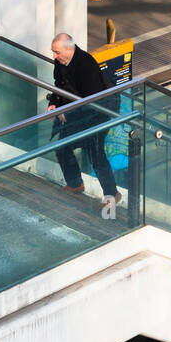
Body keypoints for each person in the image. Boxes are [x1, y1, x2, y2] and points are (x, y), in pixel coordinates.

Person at [50, 32, 120, 211]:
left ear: (69, 49)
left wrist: (67, 112)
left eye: (57, 52)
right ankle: (75, 184)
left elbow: (91, 100)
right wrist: (54, 104)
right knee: (63, 147)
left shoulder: (86, 64)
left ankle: (112, 193)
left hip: (98, 114)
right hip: (78, 113)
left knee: (95, 153)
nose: (54, 56)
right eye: (53, 52)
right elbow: (59, 85)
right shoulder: (61, 62)